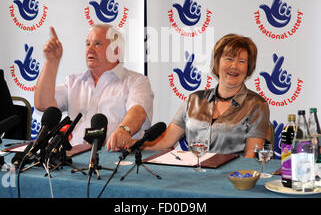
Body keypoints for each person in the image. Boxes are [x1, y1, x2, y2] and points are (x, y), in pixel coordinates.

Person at [141, 34, 270, 158]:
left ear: (248, 68)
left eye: (241, 61)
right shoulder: (194, 100)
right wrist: (135, 145)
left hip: (233, 177)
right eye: (229, 59)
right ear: (217, 62)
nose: (234, 66)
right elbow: (165, 142)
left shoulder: (257, 105)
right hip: (194, 175)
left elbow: (251, 156)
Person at [34, 24, 154, 151]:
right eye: (87, 44)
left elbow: (138, 112)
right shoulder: (73, 82)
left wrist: (124, 130)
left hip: (113, 159)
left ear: (115, 51)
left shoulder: (136, 81)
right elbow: (43, 105)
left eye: (97, 44)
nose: (90, 49)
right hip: (71, 159)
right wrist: (51, 61)